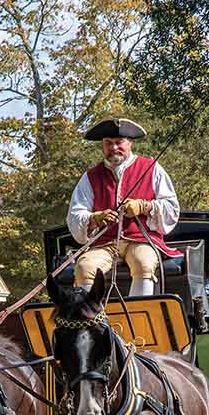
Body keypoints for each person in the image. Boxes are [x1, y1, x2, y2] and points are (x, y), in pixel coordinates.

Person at [67, 118, 181, 296]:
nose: (113, 148)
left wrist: (144, 206)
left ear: (130, 143)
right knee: (84, 267)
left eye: (119, 142)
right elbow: (75, 214)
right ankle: (88, 321)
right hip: (105, 244)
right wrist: (94, 218)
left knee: (143, 263)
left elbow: (172, 208)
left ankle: (137, 320)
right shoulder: (90, 177)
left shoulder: (151, 168)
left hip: (141, 240)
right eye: (108, 143)